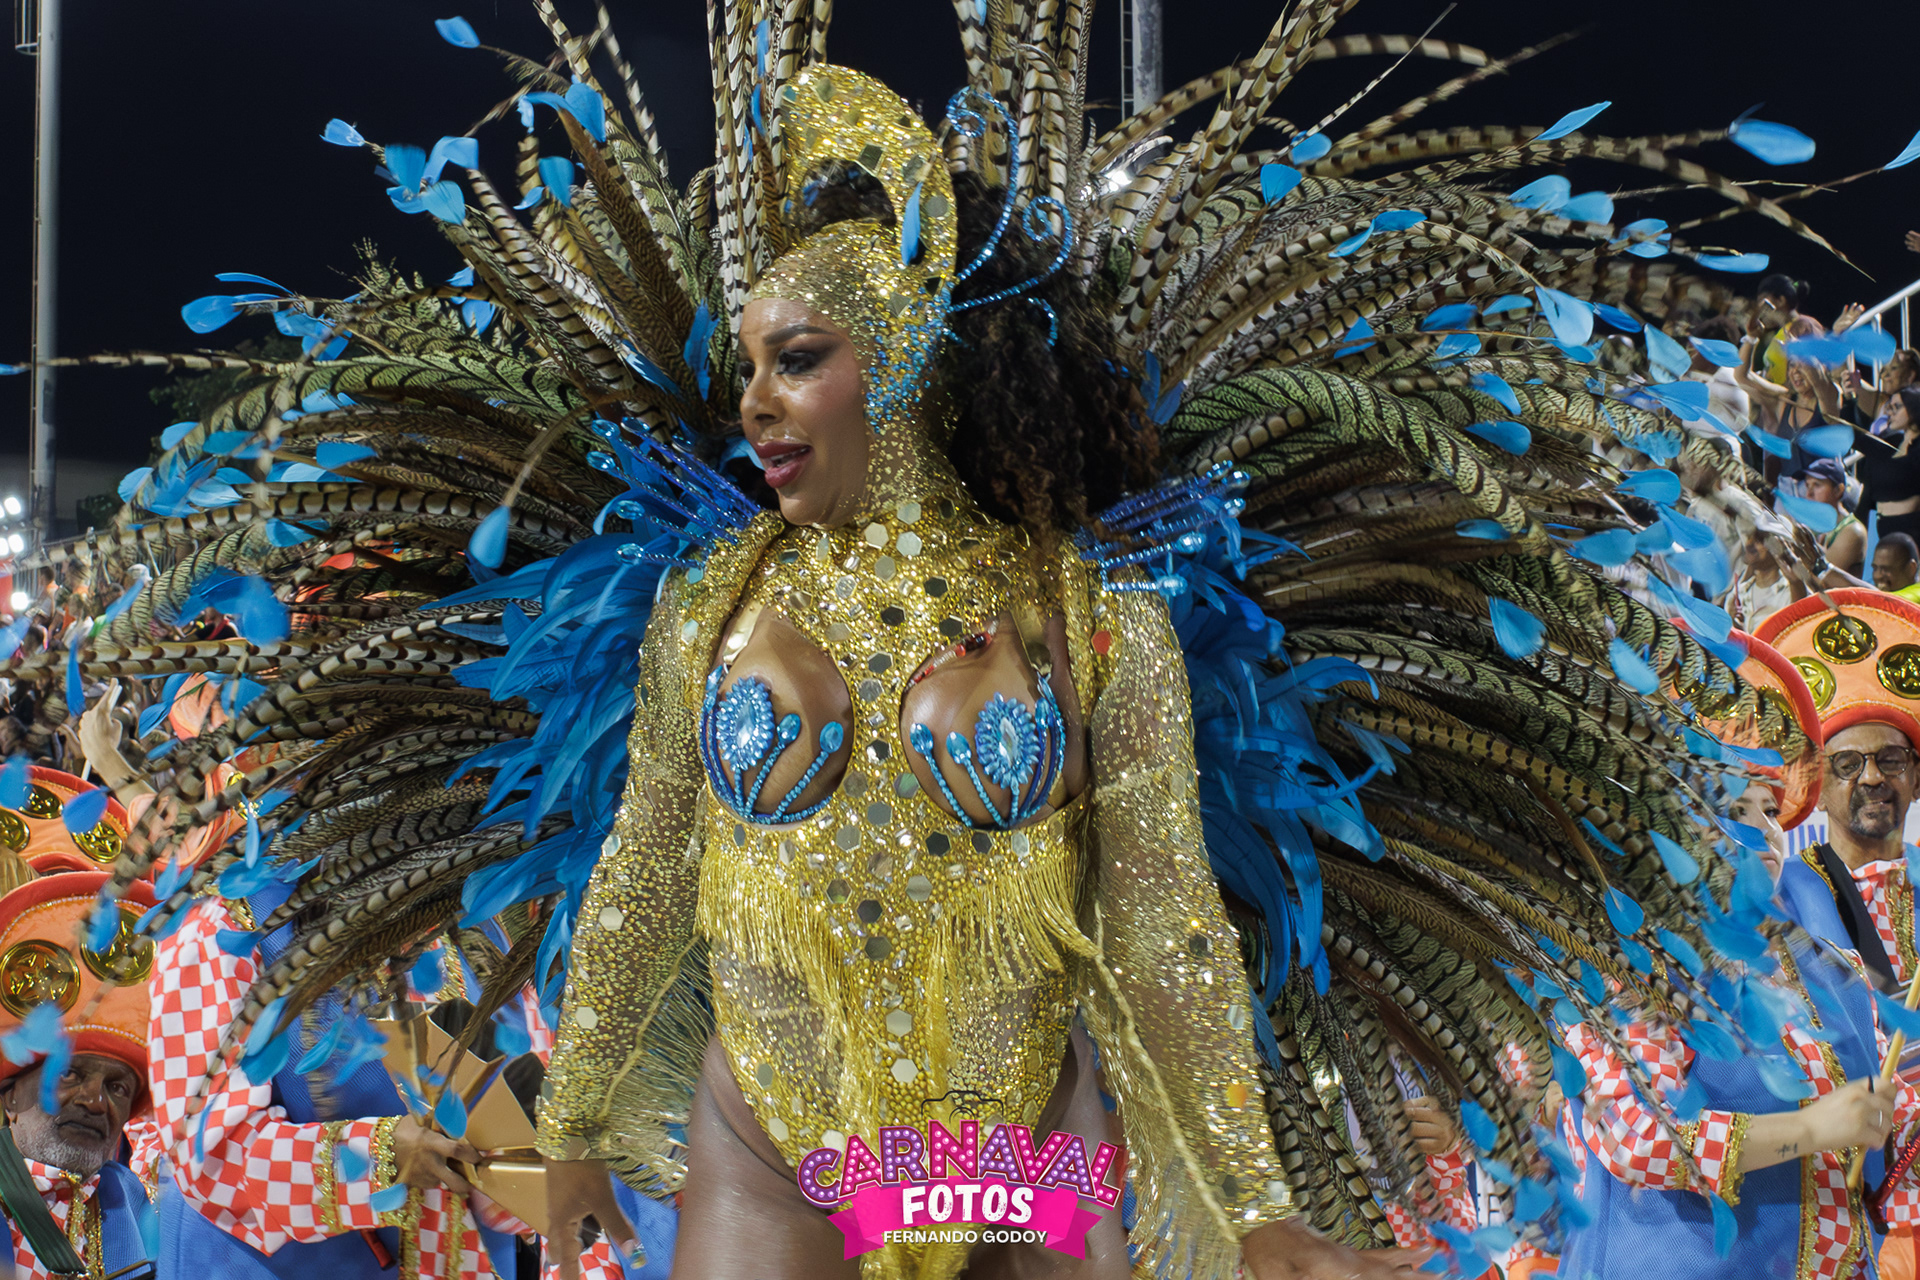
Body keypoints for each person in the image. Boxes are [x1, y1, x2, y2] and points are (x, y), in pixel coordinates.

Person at [39, 10, 1840, 1280]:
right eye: (746, 364)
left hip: (1007, 1142)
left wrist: (1261, 1200)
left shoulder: (1090, 617)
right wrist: (576, 1117)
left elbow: (1165, 920)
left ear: (904, 360)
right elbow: (650, 858)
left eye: (796, 359)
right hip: (773, 1138)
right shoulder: (710, 600)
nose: (755, 399)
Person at [0, 870, 165, 1280]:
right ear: (10, 1098)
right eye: (69, 1073)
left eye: (117, 1087)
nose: (95, 1102)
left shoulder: (144, 1211)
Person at [1856, 389, 1920, 547]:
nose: (1889, 412)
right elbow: (1857, 439)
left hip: (1910, 535)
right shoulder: (1893, 442)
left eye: (1897, 407)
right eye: (1889, 407)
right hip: (1879, 529)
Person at [1801, 456, 1866, 577]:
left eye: (1817, 485)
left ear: (1838, 490)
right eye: (1807, 485)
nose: (1809, 494)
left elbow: (1821, 578)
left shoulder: (1852, 531)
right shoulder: (1815, 525)